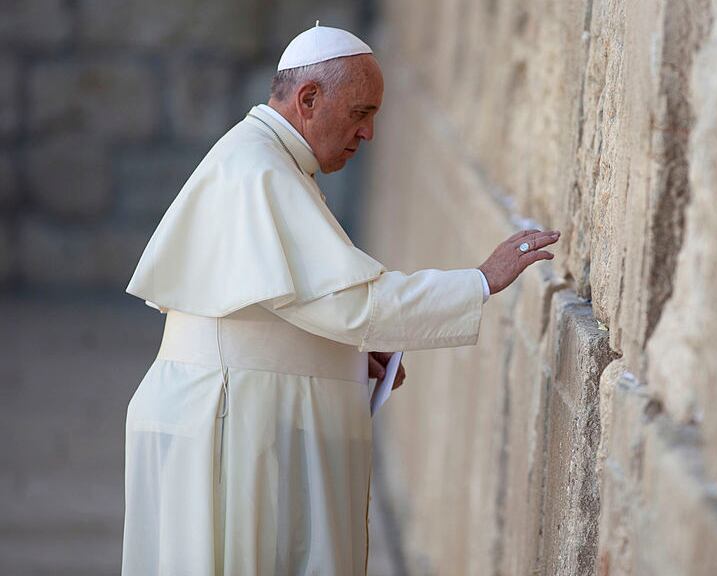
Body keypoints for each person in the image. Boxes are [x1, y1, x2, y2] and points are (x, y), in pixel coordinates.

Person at [120, 23, 559, 575]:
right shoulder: (259, 169)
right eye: (360, 112)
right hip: (227, 426)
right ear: (309, 99)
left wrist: (347, 355)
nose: (369, 132)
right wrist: (479, 280)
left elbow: (284, 302)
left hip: (230, 415)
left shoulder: (267, 159)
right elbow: (353, 303)